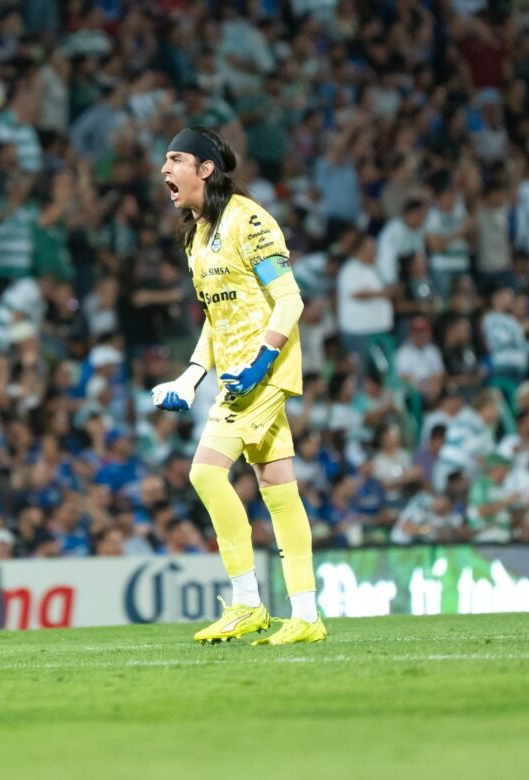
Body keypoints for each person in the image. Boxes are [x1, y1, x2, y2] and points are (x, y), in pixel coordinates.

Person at [152, 126, 324, 646]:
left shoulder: (249, 221)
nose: (165, 170)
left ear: (205, 168)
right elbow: (216, 317)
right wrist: (190, 374)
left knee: (205, 473)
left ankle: (248, 602)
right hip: (235, 371)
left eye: (176, 159)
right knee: (279, 489)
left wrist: (260, 362)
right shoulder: (197, 234)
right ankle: (306, 615)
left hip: (261, 371)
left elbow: (291, 300)